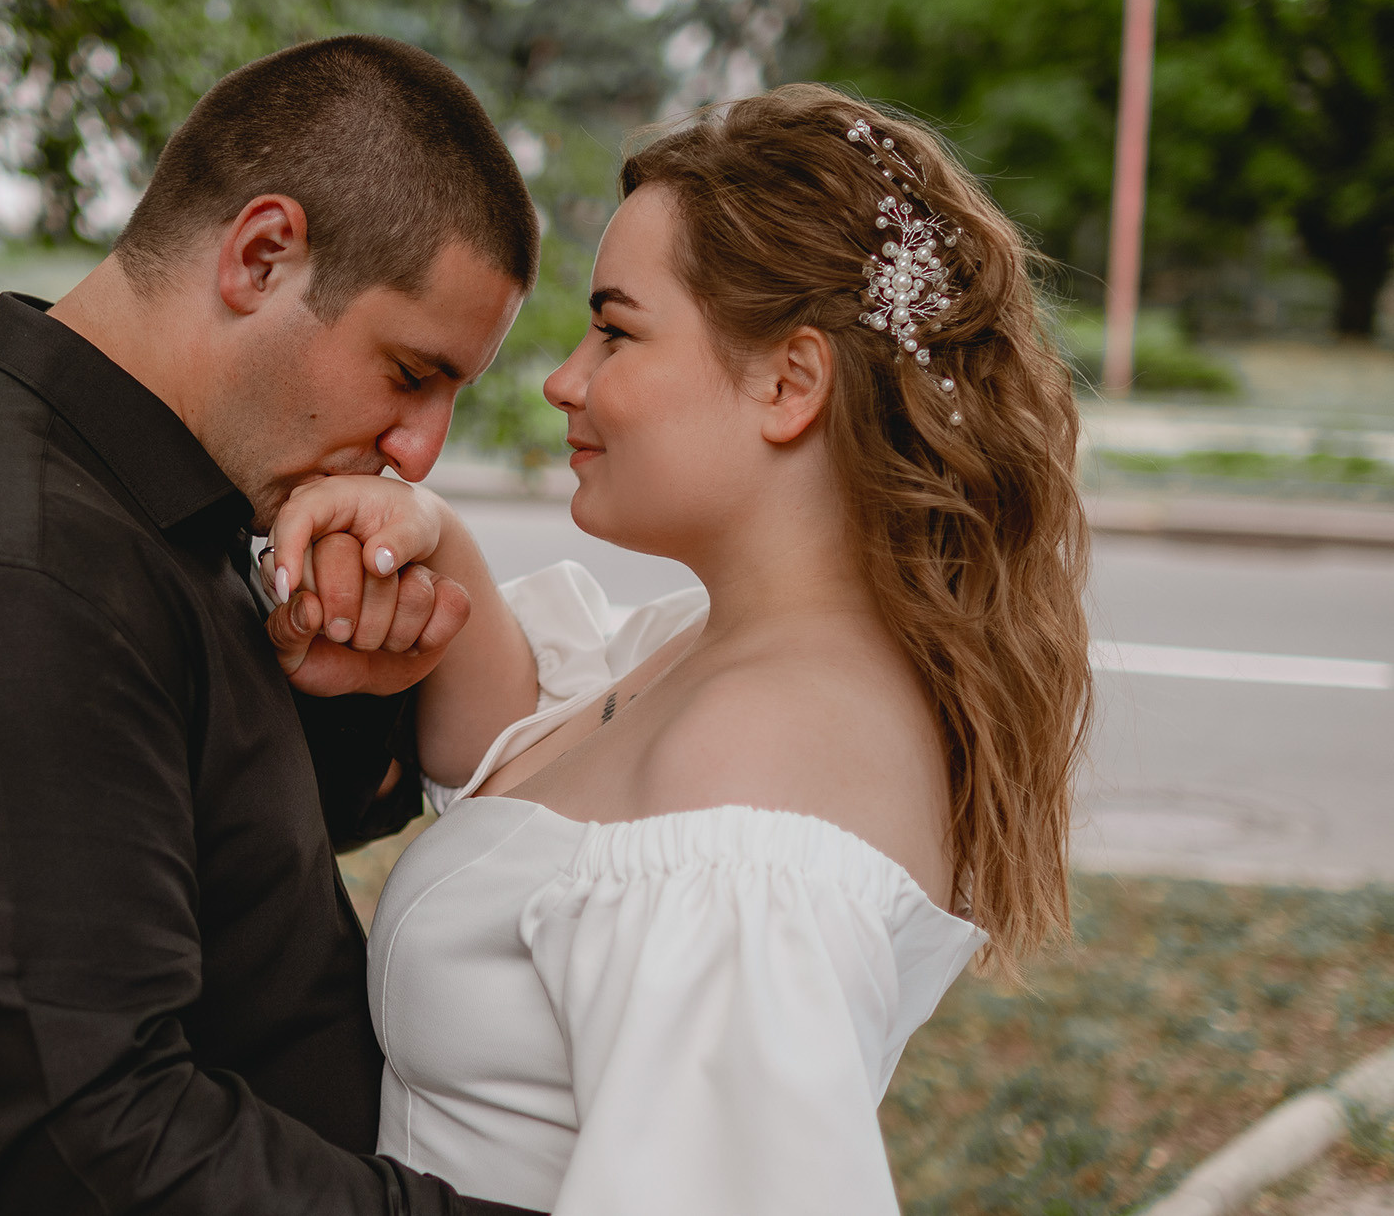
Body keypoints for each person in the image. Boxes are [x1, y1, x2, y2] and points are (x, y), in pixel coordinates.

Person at [266, 84, 1094, 1214]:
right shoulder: (713, 657)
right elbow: (524, 768)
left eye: (614, 328)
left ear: (788, 383)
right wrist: (428, 534)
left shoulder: (758, 781)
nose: (566, 379)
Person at [0, 36, 548, 1213]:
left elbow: (211, 866)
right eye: (407, 371)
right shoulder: (3, 581)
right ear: (262, 254)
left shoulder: (157, 505)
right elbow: (88, 1148)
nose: (420, 449)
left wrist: (355, 682)